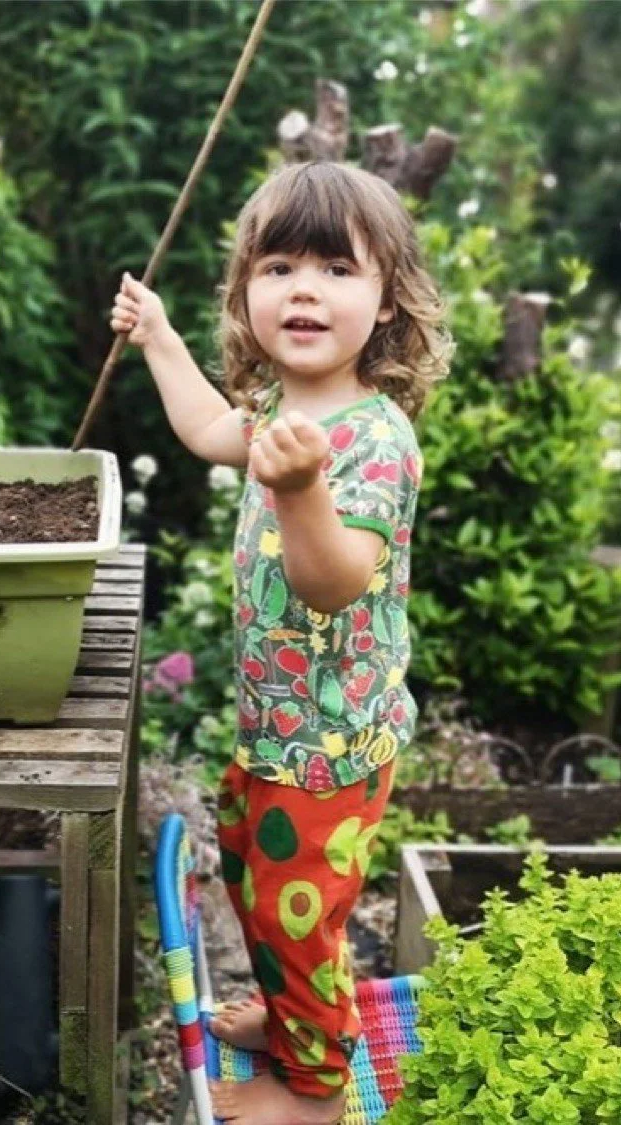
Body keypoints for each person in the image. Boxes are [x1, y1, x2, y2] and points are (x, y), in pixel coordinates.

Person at [111, 161, 451, 1125]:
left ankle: (316, 1091)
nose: (303, 288)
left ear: (386, 302)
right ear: (248, 292)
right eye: (279, 265)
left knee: (298, 912)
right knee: (257, 885)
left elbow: (335, 578)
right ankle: (293, 1019)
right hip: (278, 726)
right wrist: (161, 340)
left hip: (333, 746)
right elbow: (211, 428)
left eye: (337, 269)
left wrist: (302, 492)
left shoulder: (373, 437)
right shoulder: (276, 408)